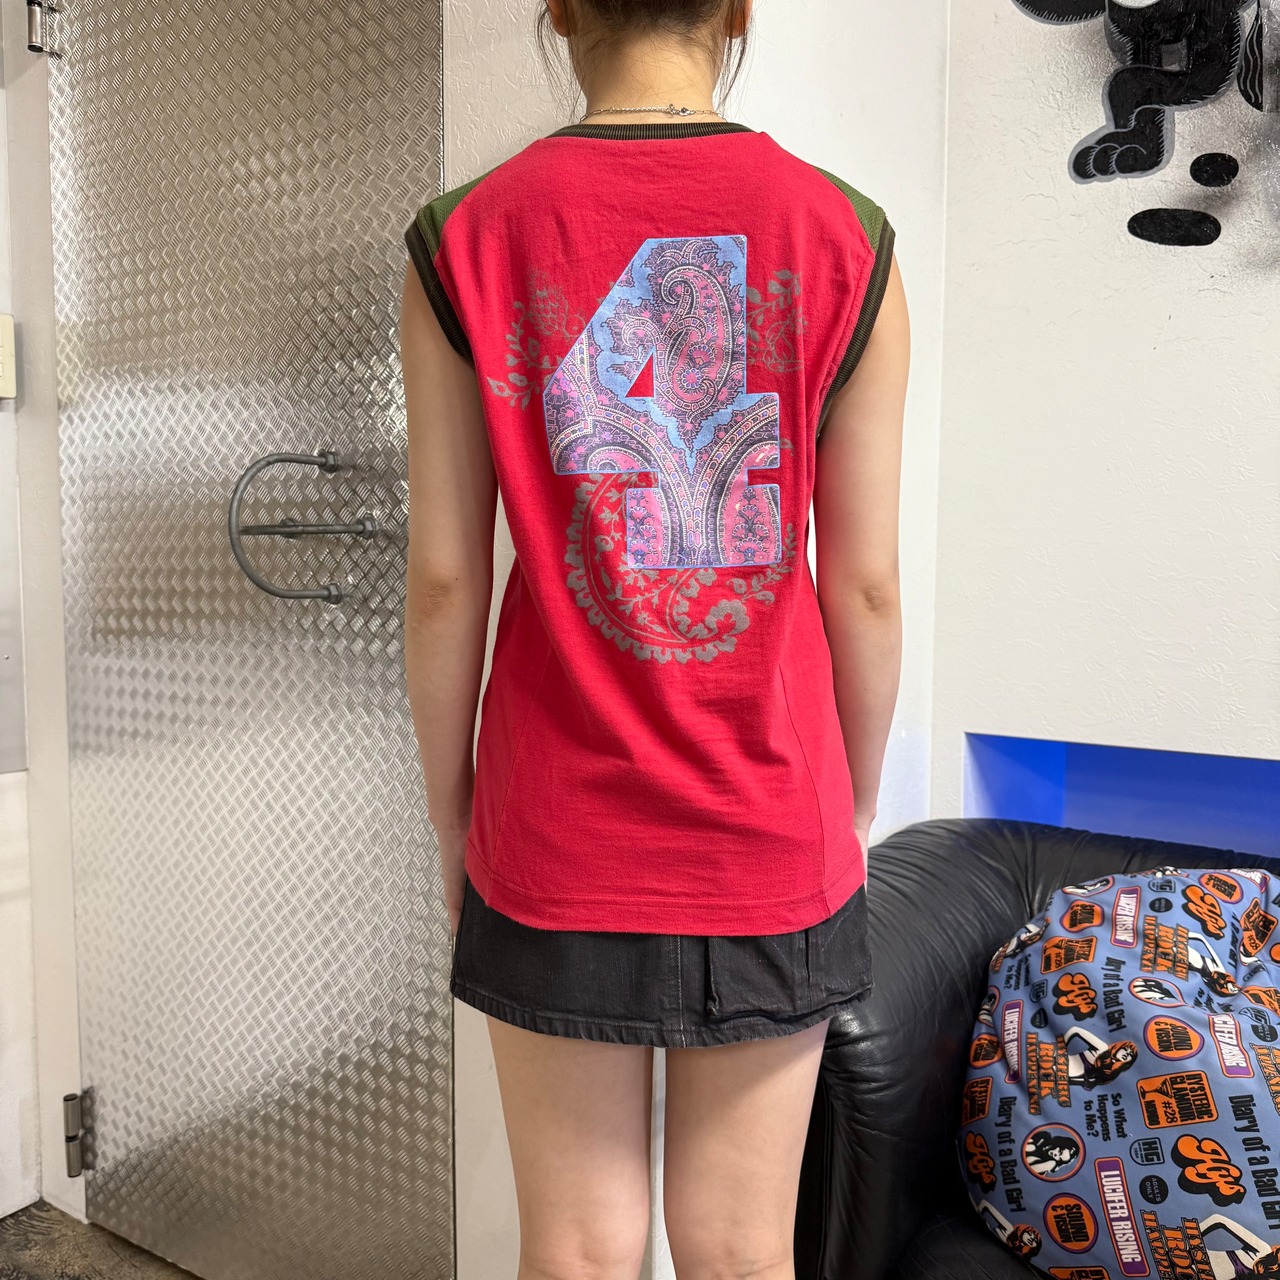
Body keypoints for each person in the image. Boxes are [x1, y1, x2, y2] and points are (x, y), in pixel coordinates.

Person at [398, 0, 909, 1275]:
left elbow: (447, 581)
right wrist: (846, 806)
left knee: (576, 1247)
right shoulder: (846, 233)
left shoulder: (462, 235)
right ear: (736, 9)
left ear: (558, 8)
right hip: (768, 819)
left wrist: (454, 811)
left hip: (553, 827)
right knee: (740, 1249)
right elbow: (863, 587)